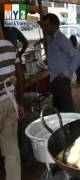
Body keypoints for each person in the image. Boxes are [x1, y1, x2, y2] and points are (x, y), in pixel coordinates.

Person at [39, 13, 80, 112]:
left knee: (66, 107)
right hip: (54, 77)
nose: (44, 28)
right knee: (58, 106)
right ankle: (62, 126)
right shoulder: (51, 37)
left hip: (61, 78)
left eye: (46, 25)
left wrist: (66, 73)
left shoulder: (61, 39)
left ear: (54, 25)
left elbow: (76, 56)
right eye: (43, 26)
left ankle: (72, 126)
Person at [0, 22, 25, 180]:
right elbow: (21, 77)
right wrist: (19, 103)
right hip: (9, 102)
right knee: (11, 150)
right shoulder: (10, 46)